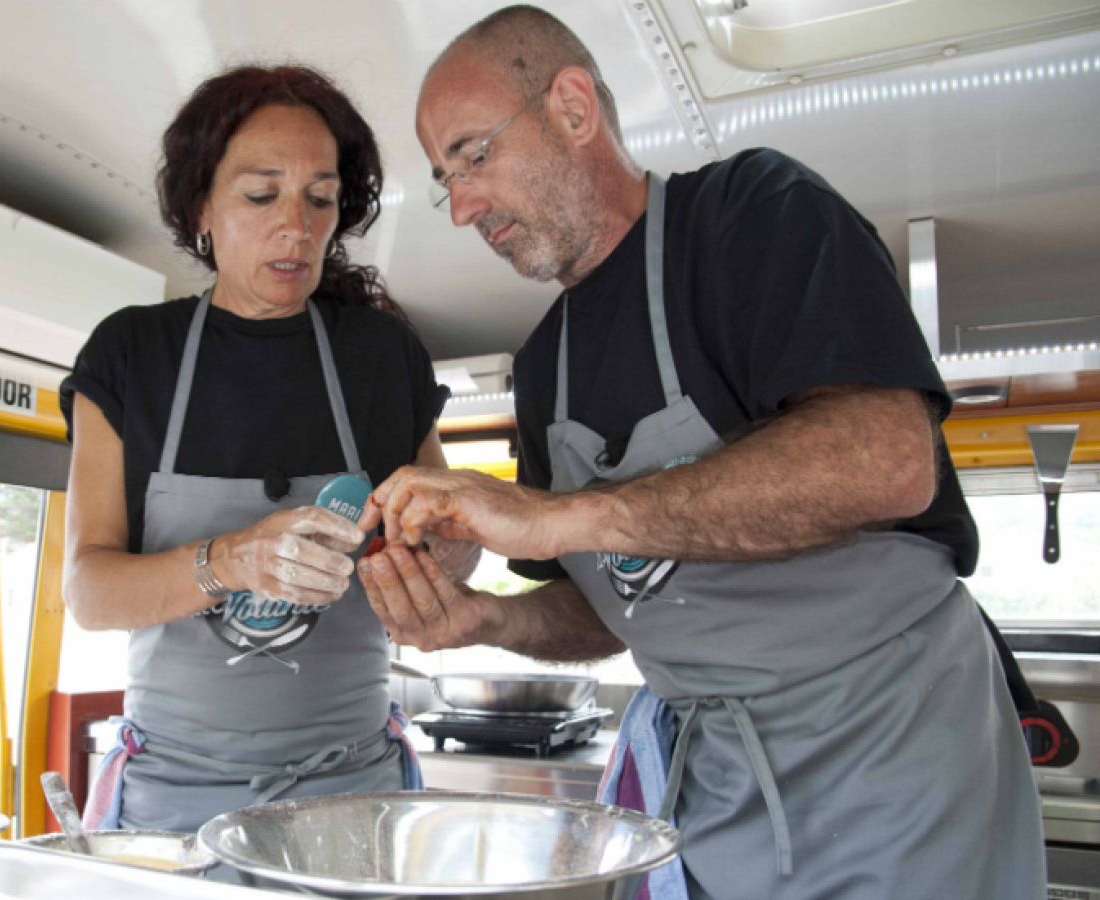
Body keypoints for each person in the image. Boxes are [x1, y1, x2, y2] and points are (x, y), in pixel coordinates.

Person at [356, 7, 1044, 898]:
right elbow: (629, 610)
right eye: (445, 179)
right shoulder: (543, 369)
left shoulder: (751, 215)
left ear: (572, 107)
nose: (461, 208)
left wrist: (563, 513)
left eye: (474, 156)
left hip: (895, 757)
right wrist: (482, 621)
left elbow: (887, 458)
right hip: (719, 795)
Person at [59, 64, 475, 833]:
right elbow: (89, 591)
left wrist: (441, 555)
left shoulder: (383, 357)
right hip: (177, 798)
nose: (299, 226)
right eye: (262, 195)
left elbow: (451, 550)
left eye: (321, 199)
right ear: (201, 209)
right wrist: (232, 562)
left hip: (355, 796)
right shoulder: (130, 356)